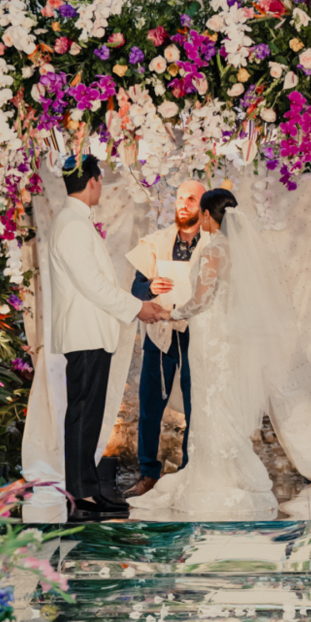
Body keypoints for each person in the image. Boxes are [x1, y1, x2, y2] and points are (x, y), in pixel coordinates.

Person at [127, 189, 281, 522]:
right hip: (226, 335)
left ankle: (212, 475)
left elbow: (200, 300)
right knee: (218, 401)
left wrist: (170, 313)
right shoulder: (239, 251)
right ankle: (227, 468)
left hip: (209, 335)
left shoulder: (213, 249)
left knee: (210, 400)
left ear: (209, 216)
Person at [47, 154, 165, 523]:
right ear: (93, 181)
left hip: (90, 332)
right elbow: (94, 286)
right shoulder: (72, 226)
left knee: (88, 413)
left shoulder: (75, 222)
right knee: (82, 414)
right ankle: (80, 494)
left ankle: (87, 489)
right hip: (84, 333)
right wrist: (137, 307)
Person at [124, 179, 208, 500]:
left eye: (190, 199)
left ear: (203, 207)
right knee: (149, 405)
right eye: (179, 198)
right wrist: (150, 289)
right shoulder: (156, 242)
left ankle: (189, 471)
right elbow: (136, 289)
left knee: (194, 406)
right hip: (159, 335)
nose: (182, 204)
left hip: (195, 336)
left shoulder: (212, 244)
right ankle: (148, 474)